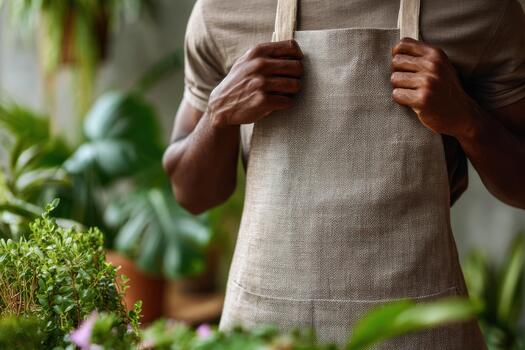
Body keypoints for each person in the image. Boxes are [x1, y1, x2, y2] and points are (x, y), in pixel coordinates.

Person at [163, 0, 525, 348]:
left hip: (415, 332)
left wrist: (468, 119)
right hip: (266, 332)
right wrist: (217, 115)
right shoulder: (223, 11)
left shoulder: (481, 10)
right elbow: (192, 195)